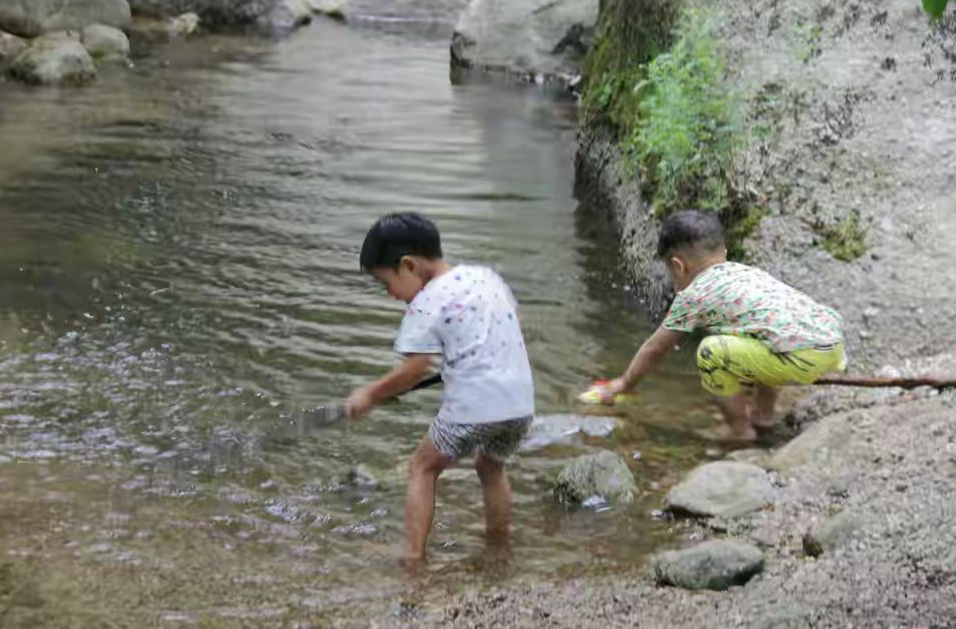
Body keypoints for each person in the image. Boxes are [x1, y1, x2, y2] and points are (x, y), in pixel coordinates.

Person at [345, 212, 535, 562]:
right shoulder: (485, 277)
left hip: (474, 406)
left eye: (386, 283)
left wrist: (370, 394)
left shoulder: (426, 303)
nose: (390, 295)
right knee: (490, 467)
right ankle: (498, 543)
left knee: (422, 467)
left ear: (408, 266)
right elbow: (512, 325)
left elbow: (414, 369)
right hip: (521, 403)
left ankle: (412, 556)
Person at [593, 210, 846, 441]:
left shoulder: (694, 295)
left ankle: (739, 430)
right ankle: (763, 415)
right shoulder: (744, 273)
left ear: (679, 266)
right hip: (830, 346)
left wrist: (624, 384)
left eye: (671, 274)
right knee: (762, 337)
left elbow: (655, 349)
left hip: (802, 359)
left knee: (711, 353)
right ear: (722, 251)